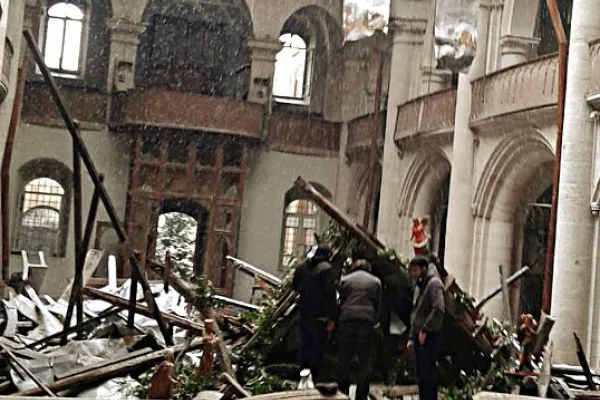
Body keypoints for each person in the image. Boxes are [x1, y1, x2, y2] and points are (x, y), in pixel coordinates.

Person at [337, 259, 382, 400]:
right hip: (366, 323)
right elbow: (379, 304)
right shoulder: (376, 282)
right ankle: (361, 395)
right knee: (364, 361)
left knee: (344, 359)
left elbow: (340, 301)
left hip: (347, 322)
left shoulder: (345, 280)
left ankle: (342, 393)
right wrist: (375, 321)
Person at [292, 245, 337, 382]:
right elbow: (330, 295)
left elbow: (294, 286)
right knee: (317, 348)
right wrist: (332, 317)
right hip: (320, 316)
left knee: (305, 344)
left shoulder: (301, 267)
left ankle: (303, 374)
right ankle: (314, 377)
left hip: (304, 313)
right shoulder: (326, 269)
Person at [408, 256, 445, 400]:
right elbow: (416, 312)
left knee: (427, 373)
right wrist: (412, 336)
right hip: (419, 335)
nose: (414, 273)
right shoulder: (419, 285)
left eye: (416, 270)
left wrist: (425, 329)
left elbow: (439, 309)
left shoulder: (434, 284)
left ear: (424, 269)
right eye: (412, 270)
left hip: (429, 336)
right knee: (421, 375)